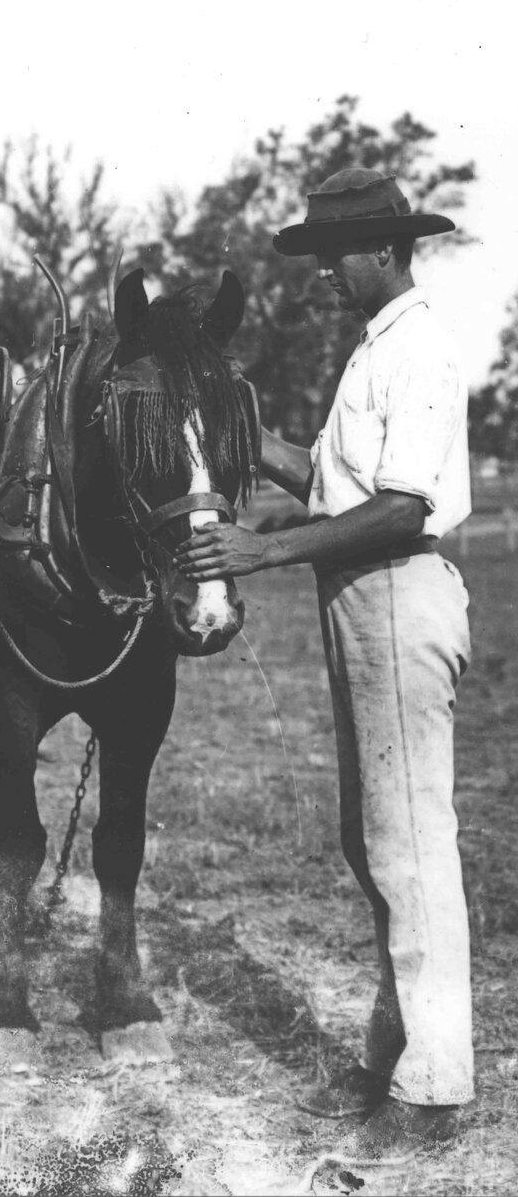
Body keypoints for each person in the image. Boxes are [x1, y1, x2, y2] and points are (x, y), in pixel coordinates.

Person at [178, 167, 473, 1166]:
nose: (321, 276)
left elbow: (400, 505)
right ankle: (400, 1060)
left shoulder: (420, 345)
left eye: (331, 257)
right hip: (360, 595)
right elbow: (324, 476)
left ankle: (431, 1094)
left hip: (396, 589)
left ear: (384, 250)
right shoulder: (373, 349)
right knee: (371, 839)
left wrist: (263, 551)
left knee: (408, 845)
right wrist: (220, 420)